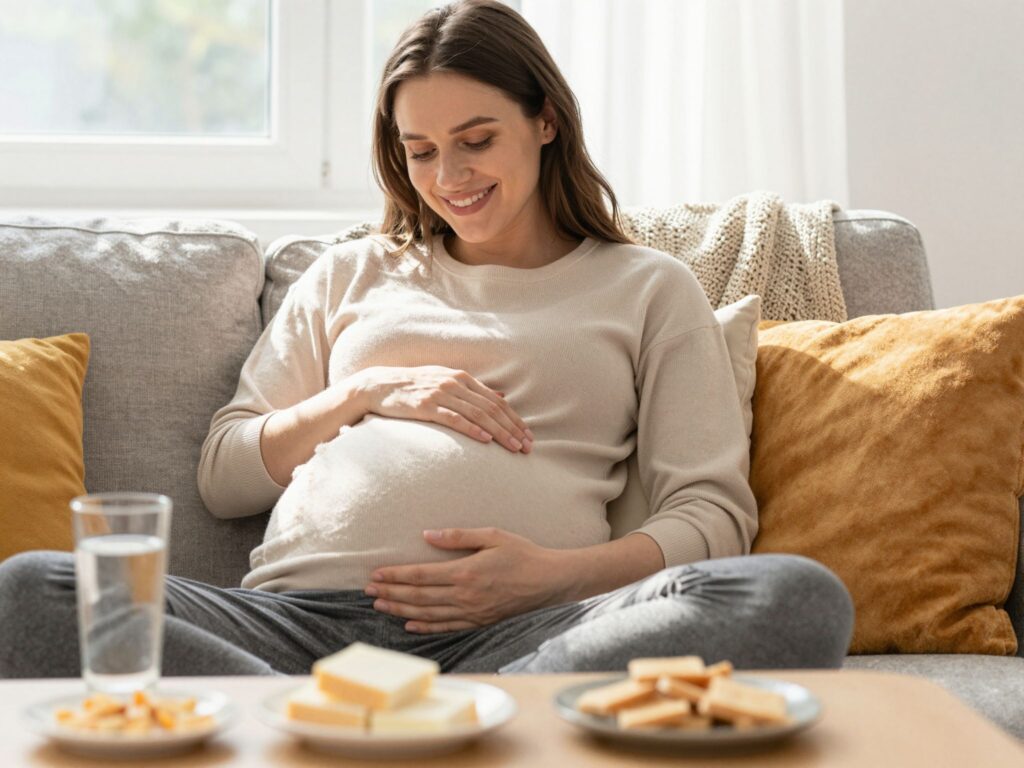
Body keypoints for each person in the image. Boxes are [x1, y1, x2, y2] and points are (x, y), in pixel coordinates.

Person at [0, 0, 852, 679]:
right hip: (293, 630)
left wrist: (551, 576)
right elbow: (224, 476)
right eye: (421, 151)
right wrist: (361, 394)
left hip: (525, 637)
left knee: (793, 597)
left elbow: (712, 518)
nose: (451, 178)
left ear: (546, 120)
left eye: (477, 140)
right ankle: (349, 714)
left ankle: (388, 721)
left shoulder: (646, 287)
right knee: (33, 589)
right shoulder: (349, 274)